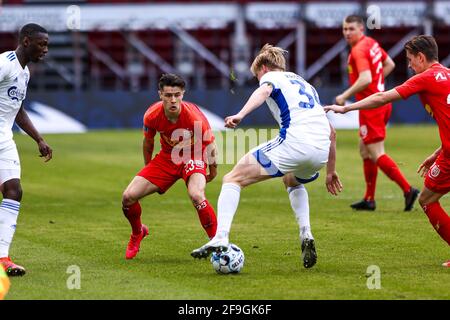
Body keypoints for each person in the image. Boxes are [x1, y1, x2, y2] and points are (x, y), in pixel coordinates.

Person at [191, 44, 342, 269]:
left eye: (256, 76)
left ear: (263, 68)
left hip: (295, 142)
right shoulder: (306, 85)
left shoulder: (270, 78)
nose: (258, 79)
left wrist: (240, 114)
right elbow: (332, 131)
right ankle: (306, 233)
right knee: (291, 179)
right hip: (320, 149)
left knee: (232, 179)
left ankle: (221, 236)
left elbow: (263, 91)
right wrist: (330, 171)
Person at [325, 35, 450, 267]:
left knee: (428, 200)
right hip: (447, 152)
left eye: (411, 60)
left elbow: (383, 97)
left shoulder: (426, 78)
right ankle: (371, 197)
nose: (410, 66)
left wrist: (346, 108)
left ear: (421, 58)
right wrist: (438, 152)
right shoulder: (448, 74)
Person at [121, 73, 218, 260]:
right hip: (167, 158)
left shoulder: (194, 117)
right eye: (168, 95)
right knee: (128, 197)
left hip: (194, 155)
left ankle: (216, 242)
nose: (173, 100)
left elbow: (211, 145)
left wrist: (212, 171)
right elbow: (148, 143)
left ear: (183, 94)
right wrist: (149, 171)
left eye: (177, 95)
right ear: (160, 95)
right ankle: (137, 232)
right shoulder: (152, 115)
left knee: (197, 195)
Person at [336, 15, 419, 211]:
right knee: (364, 150)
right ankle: (369, 199)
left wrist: (344, 96)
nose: (347, 32)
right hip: (381, 101)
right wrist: (377, 82)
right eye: (345, 29)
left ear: (361, 29)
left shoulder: (358, 50)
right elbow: (389, 63)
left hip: (371, 107)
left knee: (376, 152)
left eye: (351, 29)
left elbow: (365, 79)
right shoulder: (371, 43)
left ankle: (408, 190)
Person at [0, 24, 53, 276]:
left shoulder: (25, 73)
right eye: (41, 44)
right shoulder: (5, 64)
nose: (45, 50)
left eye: (47, 45)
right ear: (26, 41)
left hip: (4, 140)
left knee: (14, 191)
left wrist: (39, 139)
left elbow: (18, 110)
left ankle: (2, 258)